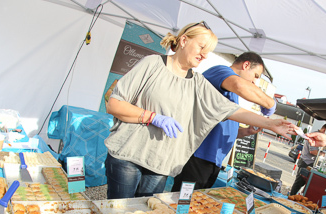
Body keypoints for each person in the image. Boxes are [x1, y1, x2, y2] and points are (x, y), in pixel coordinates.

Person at [104, 22, 296, 199]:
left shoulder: (198, 83)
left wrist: (271, 123)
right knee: (117, 213)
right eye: (201, 47)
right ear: (184, 40)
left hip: (159, 164)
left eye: (208, 51)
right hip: (127, 156)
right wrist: (152, 117)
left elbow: (232, 110)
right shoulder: (152, 64)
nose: (204, 55)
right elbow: (114, 104)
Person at [171, 52, 277, 191]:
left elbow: (221, 125)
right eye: (255, 75)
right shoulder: (220, 71)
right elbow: (240, 85)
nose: (254, 82)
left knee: (196, 206)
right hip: (198, 156)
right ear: (246, 65)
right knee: (181, 204)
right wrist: (270, 103)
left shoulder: (231, 93)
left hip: (213, 161)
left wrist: (246, 131)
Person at [289, 123, 326, 195]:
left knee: (304, 184)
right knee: (299, 183)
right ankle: (291, 196)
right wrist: (323, 154)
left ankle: (294, 196)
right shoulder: (314, 136)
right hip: (306, 162)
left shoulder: (317, 137)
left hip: (309, 162)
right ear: (324, 130)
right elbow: (313, 151)